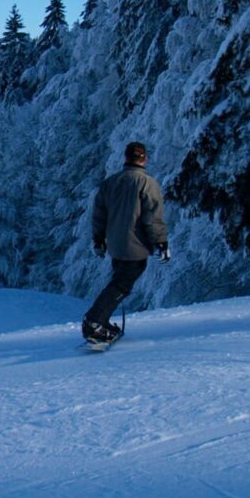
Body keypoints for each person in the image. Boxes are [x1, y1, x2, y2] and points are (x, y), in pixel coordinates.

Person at [83, 141, 169, 345]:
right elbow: (152, 217)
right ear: (144, 158)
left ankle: (100, 321)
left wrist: (98, 239)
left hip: (115, 243)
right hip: (136, 244)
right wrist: (161, 243)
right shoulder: (147, 183)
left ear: (126, 158)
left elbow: (99, 215)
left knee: (119, 282)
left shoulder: (111, 182)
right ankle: (94, 321)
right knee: (121, 284)